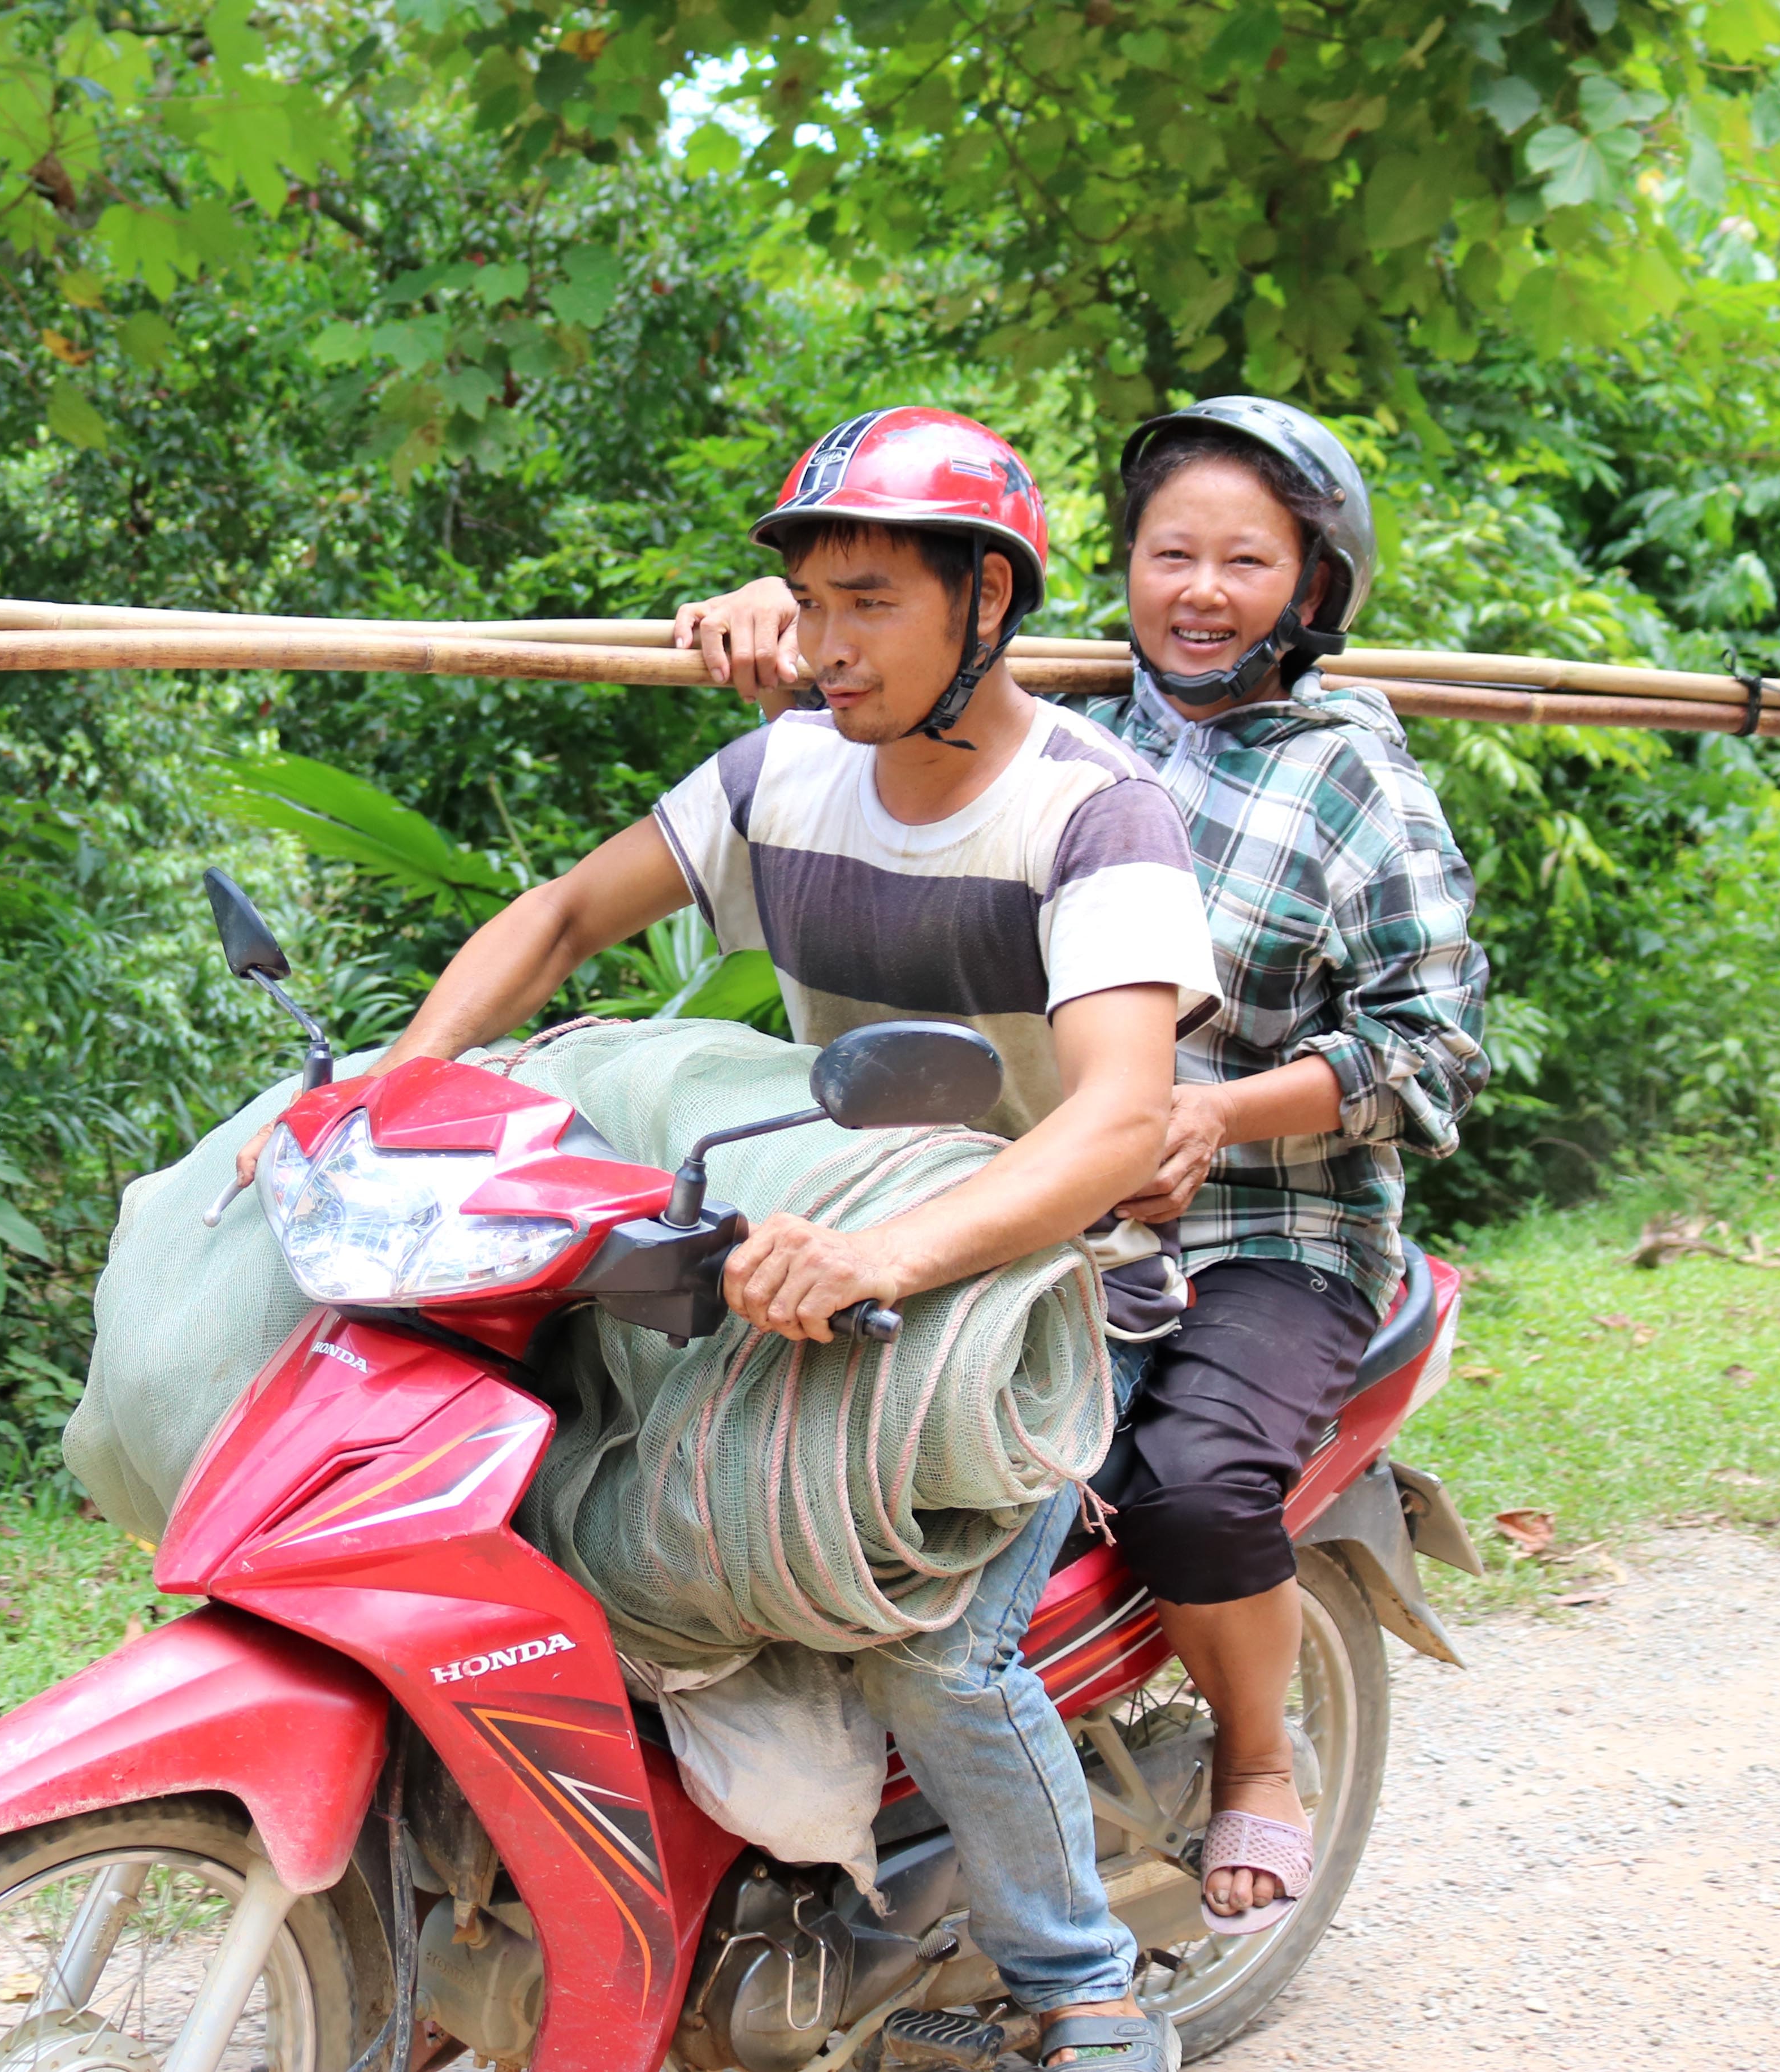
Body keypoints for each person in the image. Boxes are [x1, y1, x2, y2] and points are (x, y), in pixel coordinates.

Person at [238, 406, 1215, 2070]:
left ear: (988, 603)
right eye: (810, 603)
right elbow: (557, 918)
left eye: (869, 604)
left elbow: (1120, 1120)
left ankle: (1087, 1988)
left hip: (1035, 1303)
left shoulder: (1094, 815)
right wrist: (390, 1092)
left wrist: (890, 1259)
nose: (826, 647)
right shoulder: (782, 773)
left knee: (933, 1645)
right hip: (785, 1255)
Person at [672, 398, 1491, 1939]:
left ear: (1315, 588)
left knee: (1188, 1487)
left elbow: (1436, 1047)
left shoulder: (1355, 782)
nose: (1198, 589)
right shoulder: (1073, 722)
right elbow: (910, 651)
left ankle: (1259, 1758)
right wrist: (797, 613)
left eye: (1245, 561)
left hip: (1274, 1224)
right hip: (1041, 1204)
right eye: (1168, 553)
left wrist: (1219, 1114)